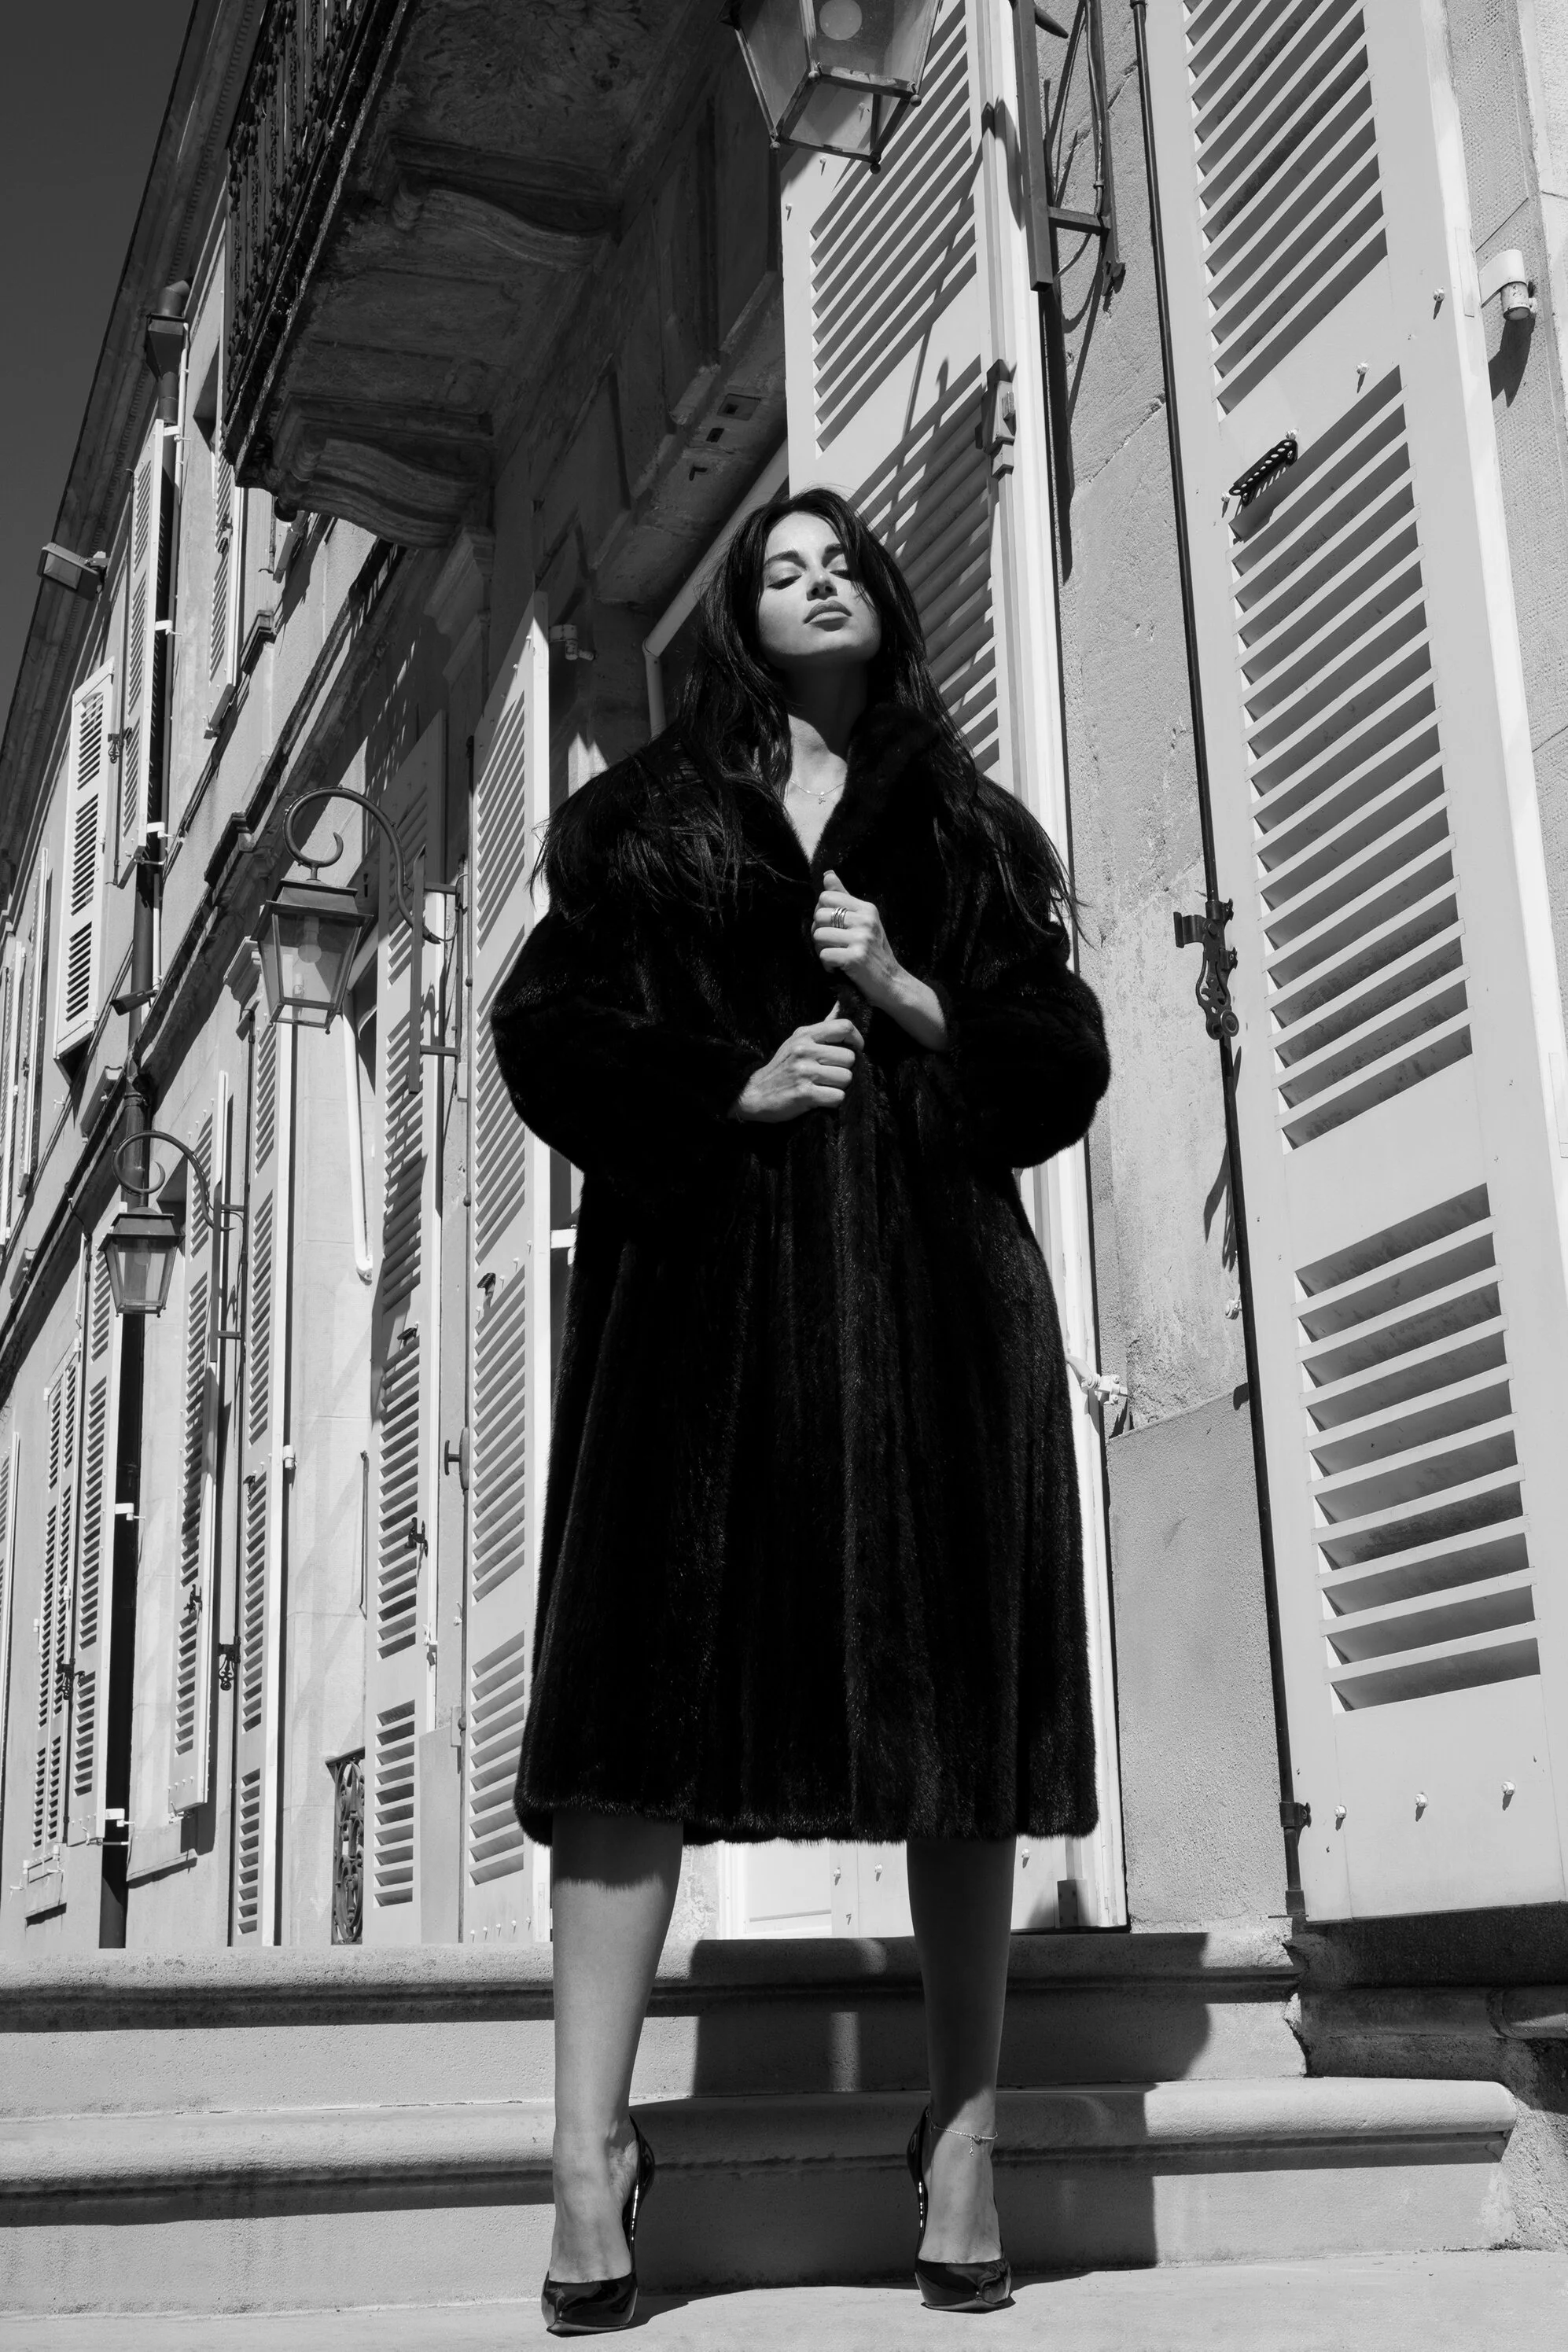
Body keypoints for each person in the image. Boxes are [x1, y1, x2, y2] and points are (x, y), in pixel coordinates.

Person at [491, 488, 1112, 2333]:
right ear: (741, 622)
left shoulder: (973, 832)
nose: (811, 576)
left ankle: (965, 2143)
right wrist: (726, 1084)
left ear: (880, 599)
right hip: (701, 1318)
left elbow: (1058, 1056)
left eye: (837, 558)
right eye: (776, 566)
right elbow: (544, 1031)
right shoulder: (648, 823)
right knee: (633, 1720)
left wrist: (903, 986)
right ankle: (585, 2156)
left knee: (954, 1734)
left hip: (929, 1314)